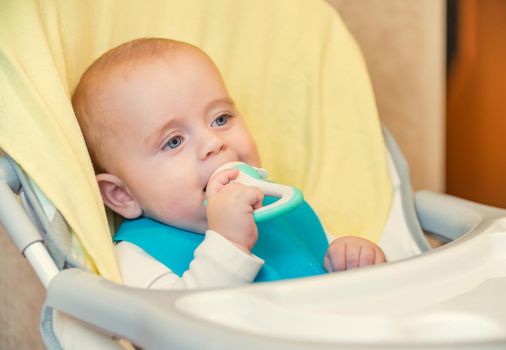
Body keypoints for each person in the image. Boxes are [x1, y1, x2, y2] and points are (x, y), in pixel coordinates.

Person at [72, 38, 386, 290]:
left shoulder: (282, 211)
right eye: (174, 141)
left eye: (221, 119)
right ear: (122, 195)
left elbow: (338, 287)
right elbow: (175, 333)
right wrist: (228, 246)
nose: (213, 142)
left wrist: (351, 259)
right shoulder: (140, 257)